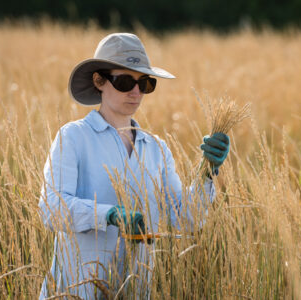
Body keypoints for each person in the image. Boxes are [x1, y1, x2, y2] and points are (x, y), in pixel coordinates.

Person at [38, 33, 230, 299]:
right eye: (126, 81)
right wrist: (109, 215)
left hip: (133, 290)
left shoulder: (156, 148)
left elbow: (187, 218)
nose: (136, 91)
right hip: (76, 291)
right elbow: (51, 209)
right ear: (99, 81)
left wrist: (206, 172)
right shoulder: (73, 137)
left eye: (145, 83)